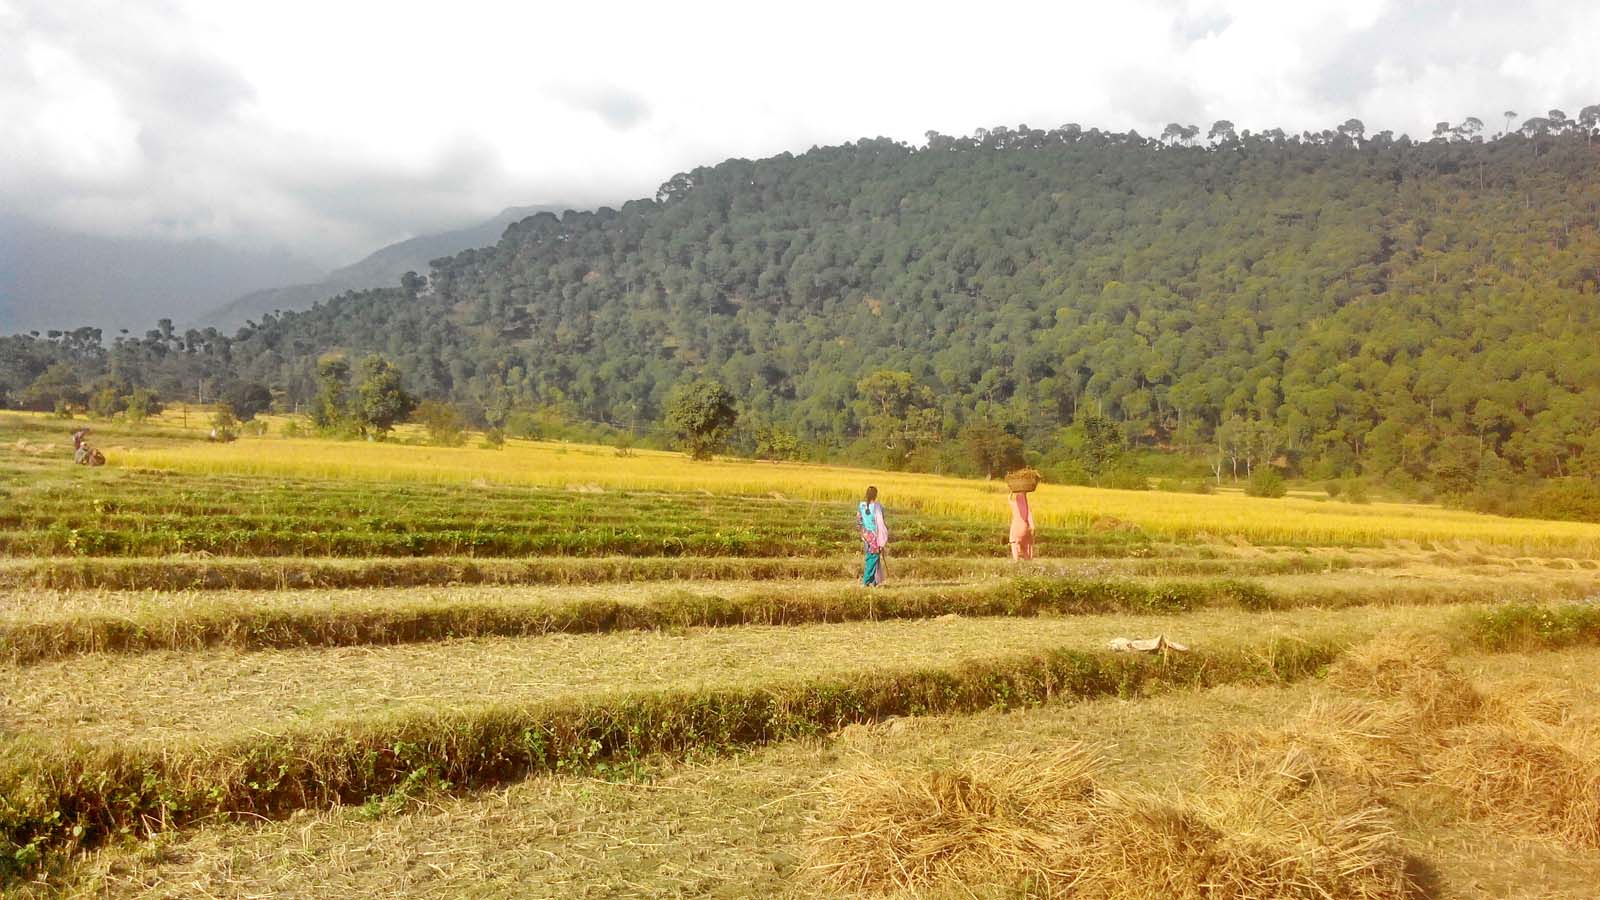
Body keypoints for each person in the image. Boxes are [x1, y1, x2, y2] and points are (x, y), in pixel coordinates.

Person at [858, 485, 889, 586]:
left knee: (870, 557)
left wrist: (863, 533)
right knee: (873, 558)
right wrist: (883, 538)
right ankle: (866, 581)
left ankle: (873, 582)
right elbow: (881, 523)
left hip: (865, 535)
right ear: (875, 495)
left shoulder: (861, 505)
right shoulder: (877, 507)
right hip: (874, 537)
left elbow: (859, 520)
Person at [1009, 490, 1036, 561]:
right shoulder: (1027, 508)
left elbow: (1009, 499)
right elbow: (1031, 520)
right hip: (1024, 529)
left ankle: (1016, 559)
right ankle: (1027, 559)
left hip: (1015, 529)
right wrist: (1033, 528)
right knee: (1026, 546)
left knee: (1014, 543)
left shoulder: (1014, 505)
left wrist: (1012, 491)